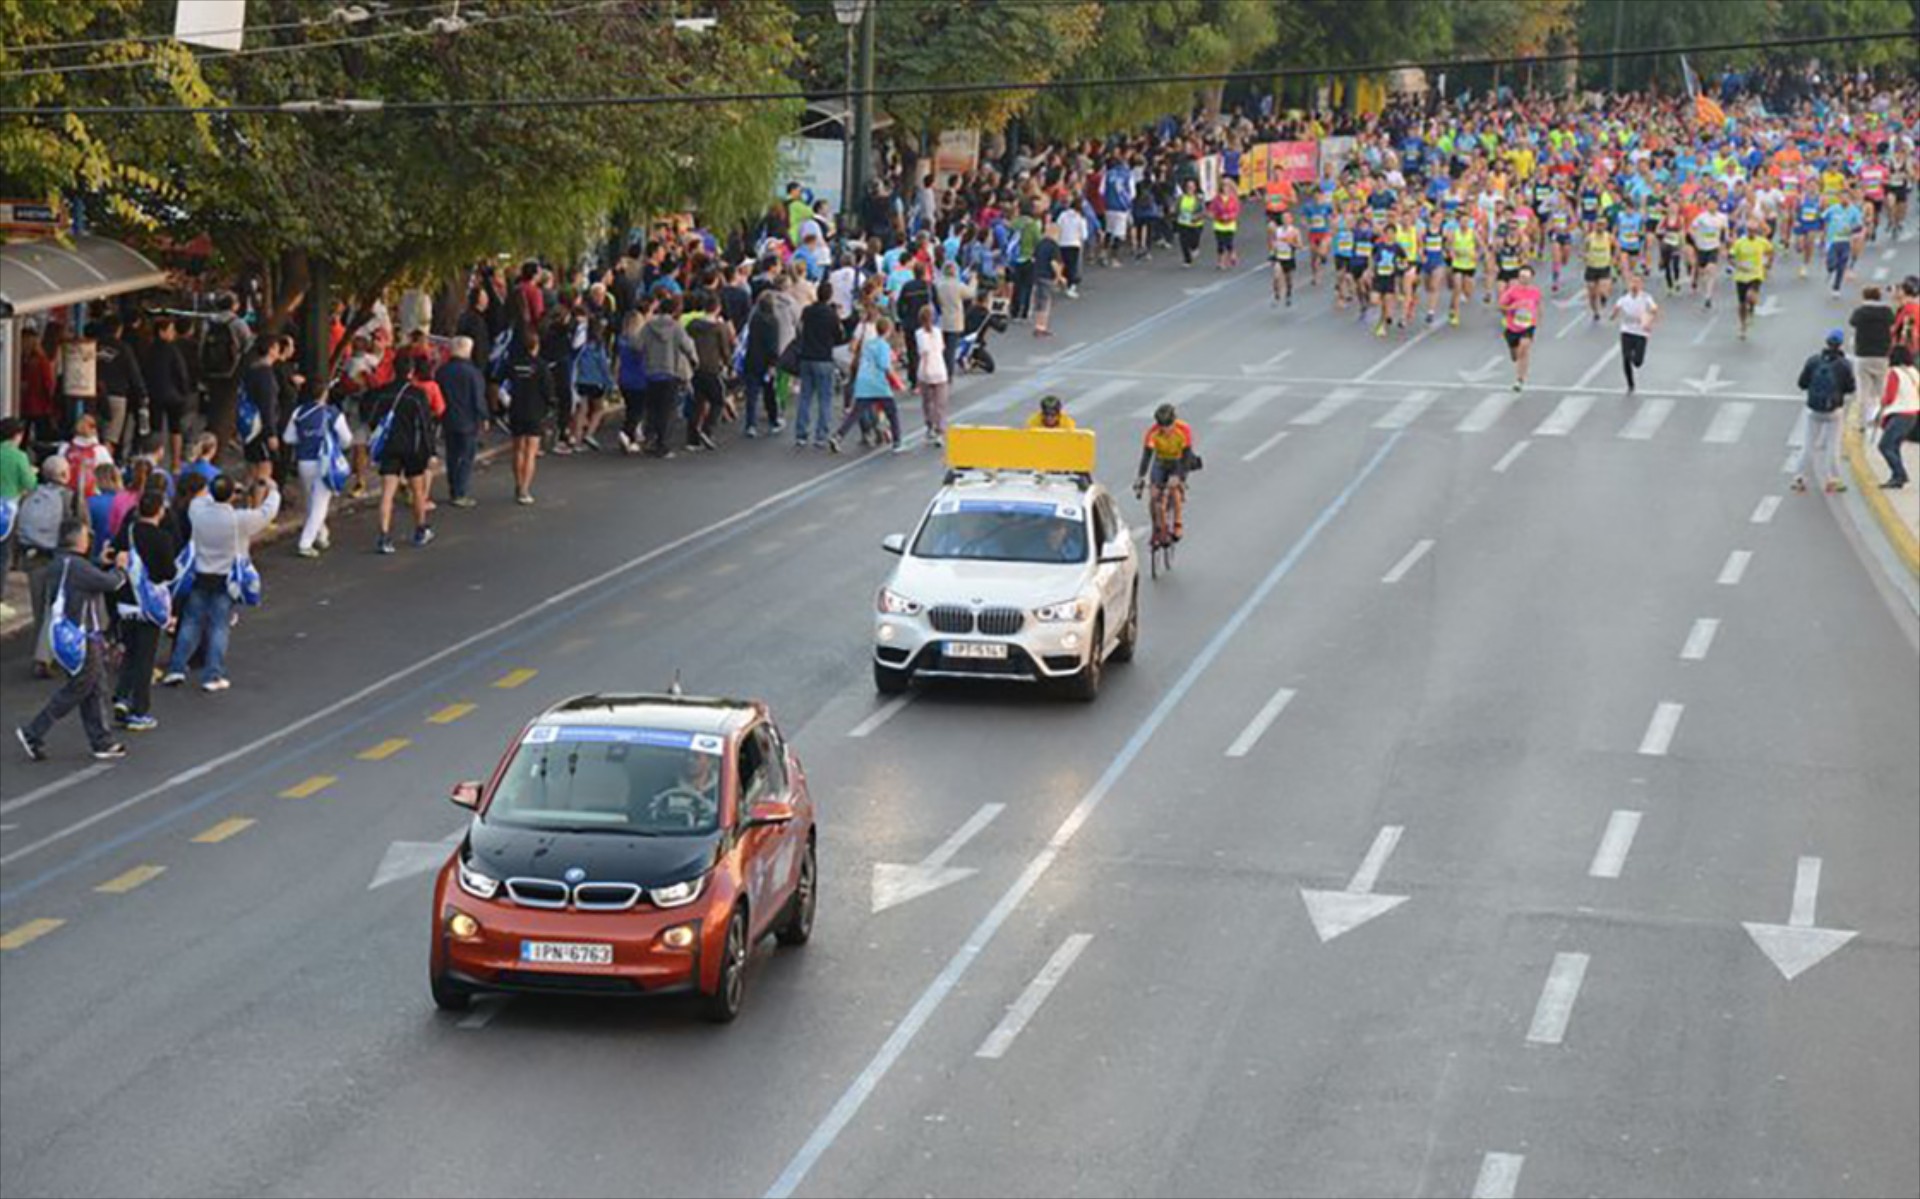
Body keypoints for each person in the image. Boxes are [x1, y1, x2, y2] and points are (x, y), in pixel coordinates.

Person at [15, 519, 128, 761]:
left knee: (94, 687)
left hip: (67, 635)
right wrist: (120, 568)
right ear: (77, 539)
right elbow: (110, 583)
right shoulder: (77, 566)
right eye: (86, 536)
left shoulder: (61, 563)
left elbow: (85, 577)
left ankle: (102, 741)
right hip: (83, 636)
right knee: (80, 688)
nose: (88, 540)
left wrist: (99, 563)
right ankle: (34, 731)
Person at [161, 473, 279, 692]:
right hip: (225, 580)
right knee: (218, 627)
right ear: (232, 496)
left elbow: (200, 499)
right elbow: (267, 512)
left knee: (190, 623)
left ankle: (176, 668)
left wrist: (226, 489)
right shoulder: (239, 520)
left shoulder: (197, 513)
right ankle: (213, 674)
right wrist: (272, 490)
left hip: (200, 575)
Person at [111, 486, 176, 732]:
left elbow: (114, 553)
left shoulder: (128, 532)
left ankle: (121, 697)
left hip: (126, 600)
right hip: (149, 604)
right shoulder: (163, 539)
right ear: (159, 511)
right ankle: (139, 710)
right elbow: (167, 572)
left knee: (130, 651)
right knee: (145, 658)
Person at [375, 356, 440, 550]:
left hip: (390, 446)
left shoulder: (383, 393)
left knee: (387, 493)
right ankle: (420, 529)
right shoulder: (416, 395)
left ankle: (384, 536)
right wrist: (431, 451)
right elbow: (425, 424)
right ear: (411, 372)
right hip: (413, 447)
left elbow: (372, 416)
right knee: (418, 491)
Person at [283, 381, 351, 558]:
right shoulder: (332, 413)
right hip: (325, 463)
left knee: (310, 500)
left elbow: (288, 438)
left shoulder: (298, 412)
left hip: (304, 461)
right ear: (324, 394)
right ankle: (305, 543)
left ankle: (321, 535)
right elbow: (347, 439)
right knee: (320, 504)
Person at [1790, 329, 1857, 495]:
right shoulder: (1844, 364)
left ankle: (1800, 477)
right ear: (1841, 344)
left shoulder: (1813, 361)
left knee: (1808, 444)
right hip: (1834, 410)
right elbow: (1850, 388)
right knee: (1833, 445)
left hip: (1814, 409)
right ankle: (1832, 480)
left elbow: (1802, 383)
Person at [829, 315, 904, 454]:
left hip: (864, 381)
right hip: (879, 384)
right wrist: (897, 382)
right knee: (892, 412)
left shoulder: (869, 344)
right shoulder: (884, 346)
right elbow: (884, 365)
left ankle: (838, 436)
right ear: (888, 330)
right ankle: (897, 441)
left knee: (855, 413)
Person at [638, 292, 696, 458]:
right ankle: (663, 445)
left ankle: (650, 439)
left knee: (652, 408)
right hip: (670, 371)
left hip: (651, 372)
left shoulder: (648, 326)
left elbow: (638, 345)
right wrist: (694, 360)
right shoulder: (676, 328)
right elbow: (687, 347)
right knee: (667, 411)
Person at [436, 335, 487, 507]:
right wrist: (484, 417)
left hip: (448, 417)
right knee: (466, 457)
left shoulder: (442, 371)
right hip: (468, 419)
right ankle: (460, 492)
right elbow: (478, 397)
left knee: (452, 454)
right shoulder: (473, 373)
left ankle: (453, 487)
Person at [504, 319, 551, 501]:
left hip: (516, 408)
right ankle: (524, 489)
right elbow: (548, 391)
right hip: (535, 411)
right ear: (535, 346)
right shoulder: (541, 366)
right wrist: (549, 406)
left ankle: (517, 482)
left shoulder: (512, 364)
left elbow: (501, 383)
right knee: (531, 451)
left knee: (518, 449)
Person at [1133, 403, 1195, 542]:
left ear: (1174, 421)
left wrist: (1179, 476)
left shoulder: (1184, 430)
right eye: (1162, 426)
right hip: (1161, 461)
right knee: (1154, 494)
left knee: (1173, 488)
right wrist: (1140, 477)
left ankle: (1177, 523)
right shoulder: (1152, 433)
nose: (1166, 429)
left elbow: (1187, 456)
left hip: (1179, 461)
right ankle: (1157, 528)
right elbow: (1147, 457)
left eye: (1169, 425)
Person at [140, 317, 193, 470]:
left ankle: (154, 460)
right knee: (175, 429)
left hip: (154, 394)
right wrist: (184, 391)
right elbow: (181, 372)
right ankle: (175, 463)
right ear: (161, 332)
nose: (173, 333)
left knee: (155, 429)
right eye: (170, 330)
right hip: (174, 395)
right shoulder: (173, 349)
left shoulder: (148, 349)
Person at [1849, 286, 1895, 433]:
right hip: (1882, 355)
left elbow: (1852, 322)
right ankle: (1882, 420)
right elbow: (1893, 321)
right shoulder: (1886, 312)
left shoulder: (1860, 312)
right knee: (1882, 390)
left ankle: (1862, 423)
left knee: (1863, 391)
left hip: (1863, 355)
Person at [1874, 345, 1919, 490]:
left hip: (1899, 413)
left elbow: (1890, 396)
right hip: (1912, 413)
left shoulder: (1894, 373)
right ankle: (1896, 477)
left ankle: (1900, 474)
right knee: (1894, 445)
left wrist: (1882, 404)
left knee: (1884, 445)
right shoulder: (1914, 372)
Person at [1611, 273, 1660, 394]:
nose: (1635, 285)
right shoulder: (1624, 298)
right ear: (1629, 284)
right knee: (1626, 358)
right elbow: (1616, 309)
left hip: (1641, 333)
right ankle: (1630, 383)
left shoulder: (1646, 297)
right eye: (1633, 282)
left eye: (1638, 282)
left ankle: (1634, 356)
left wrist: (1649, 319)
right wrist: (1613, 315)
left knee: (1638, 362)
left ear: (1641, 285)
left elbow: (1654, 309)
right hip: (1626, 331)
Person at [1498, 265, 1543, 392]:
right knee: (1515, 355)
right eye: (1522, 277)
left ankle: (1520, 379)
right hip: (1512, 327)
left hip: (1528, 326)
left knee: (1524, 348)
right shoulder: (1512, 291)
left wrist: (1538, 319)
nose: (1525, 279)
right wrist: (1511, 308)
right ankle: (1513, 351)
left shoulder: (1535, 292)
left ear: (1532, 278)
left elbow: (1538, 306)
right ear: (1518, 278)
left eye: (1527, 277)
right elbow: (1500, 307)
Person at [913, 306, 950, 448]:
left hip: (926, 371)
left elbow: (923, 353)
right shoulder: (938, 332)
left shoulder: (919, 334)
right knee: (940, 404)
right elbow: (941, 348)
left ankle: (930, 426)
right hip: (940, 370)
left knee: (927, 402)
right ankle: (940, 430)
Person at [1729, 224, 1773, 340]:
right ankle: (1743, 326)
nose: (1752, 232)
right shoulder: (1739, 242)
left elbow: (1770, 251)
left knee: (1751, 295)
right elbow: (1731, 257)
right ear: (1746, 231)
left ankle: (1752, 309)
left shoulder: (1762, 242)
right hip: (1741, 276)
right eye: (1750, 230)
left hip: (1756, 274)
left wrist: (1768, 263)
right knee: (1742, 304)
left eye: (1754, 230)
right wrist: (1737, 265)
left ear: (1757, 231)